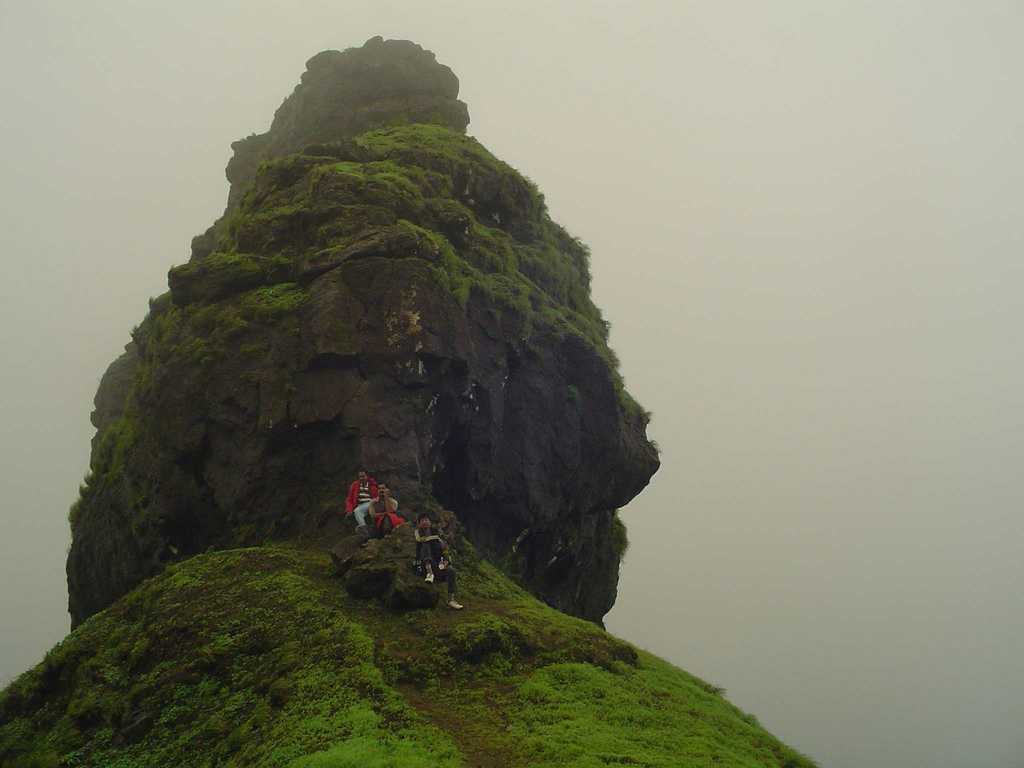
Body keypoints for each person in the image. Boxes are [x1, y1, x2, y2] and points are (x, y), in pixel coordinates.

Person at [415, 513, 462, 609]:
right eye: (422, 520)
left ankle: (451, 599)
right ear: (419, 524)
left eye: (426, 520)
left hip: (436, 566)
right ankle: (429, 572)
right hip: (423, 567)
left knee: (451, 571)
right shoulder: (417, 533)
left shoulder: (437, 535)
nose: (425, 522)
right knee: (426, 545)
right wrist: (436, 538)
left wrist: (445, 562)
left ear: (430, 522)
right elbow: (420, 540)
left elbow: (444, 550)